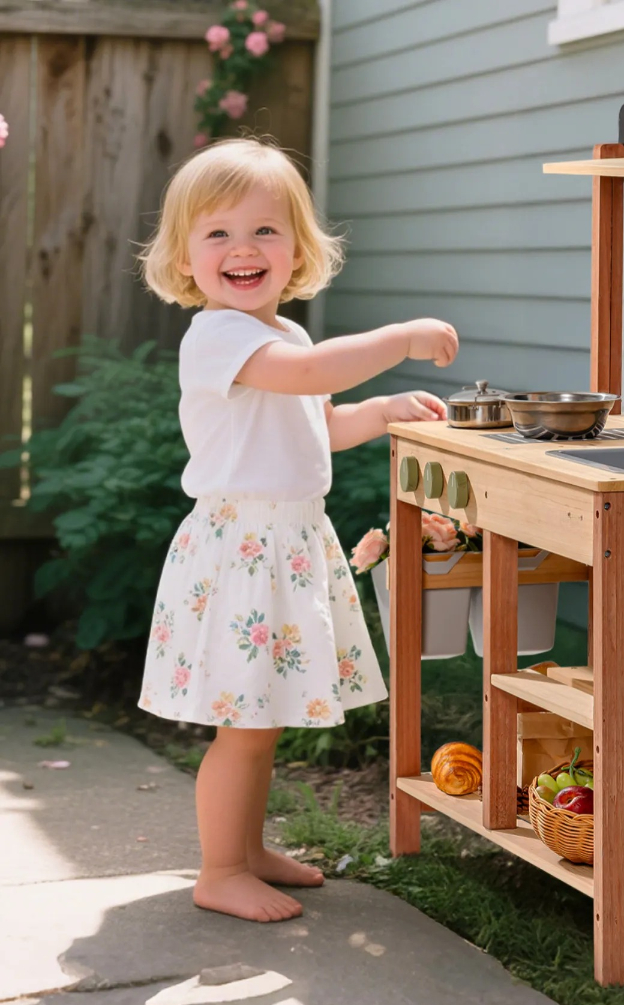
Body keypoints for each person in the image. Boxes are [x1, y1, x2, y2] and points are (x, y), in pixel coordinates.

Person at [137, 137, 457, 923]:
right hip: (243, 552)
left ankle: (247, 853)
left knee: (263, 715)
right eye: (217, 234)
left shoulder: (288, 339)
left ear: (297, 249)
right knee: (241, 727)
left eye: (265, 231)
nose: (243, 249)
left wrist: (379, 414)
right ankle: (218, 870)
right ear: (184, 257)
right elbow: (308, 380)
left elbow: (318, 418)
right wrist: (399, 339)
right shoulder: (218, 336)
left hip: (284, 545)